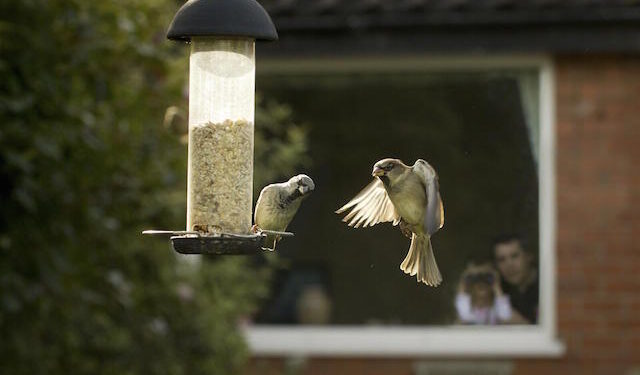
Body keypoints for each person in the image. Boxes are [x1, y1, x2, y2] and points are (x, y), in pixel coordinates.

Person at [493, 234, 539, 324]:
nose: (509, 265)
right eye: (502, 260)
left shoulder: (546, 286)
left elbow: (534, 334)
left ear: (529, 256)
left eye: (515, 256)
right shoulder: (502, 289)